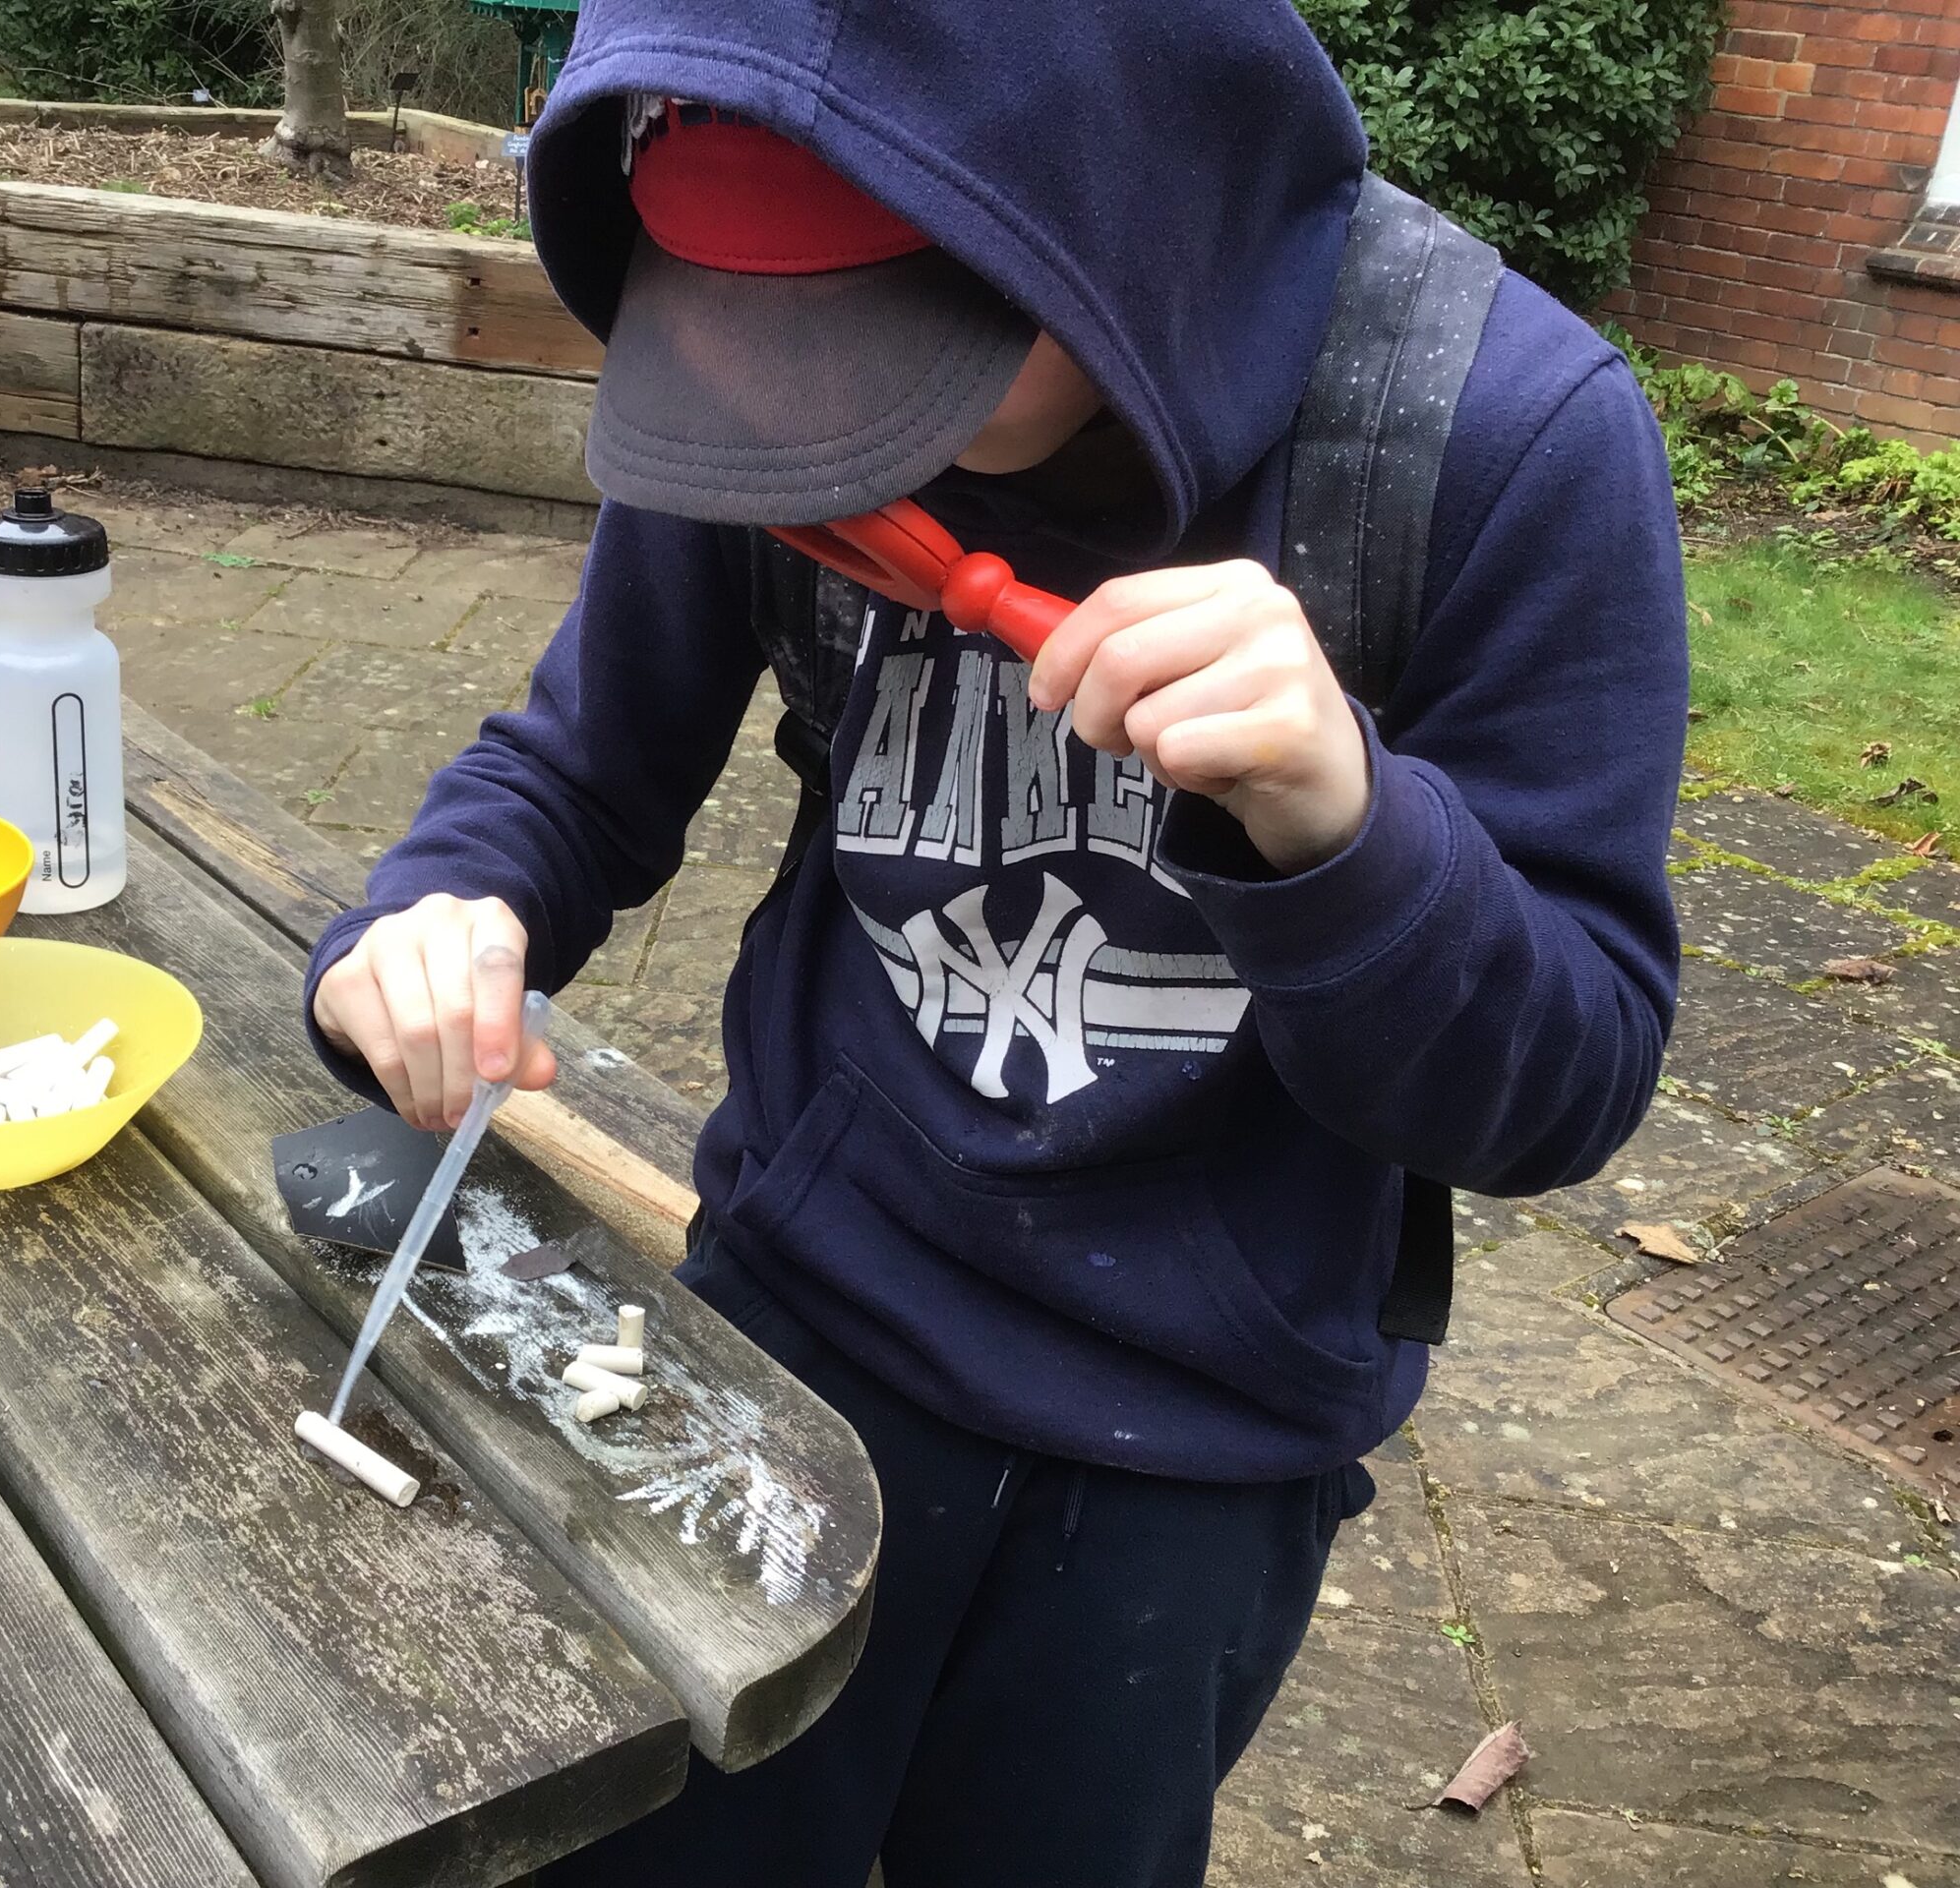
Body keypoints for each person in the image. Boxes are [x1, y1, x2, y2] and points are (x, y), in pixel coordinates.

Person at [303, 2, 1688, 1881]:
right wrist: (438, 914)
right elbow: (579, 767)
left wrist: (1348, 831)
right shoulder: (756, 355)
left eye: (865, 351)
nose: (789, 402)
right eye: (737, 334)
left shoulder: (1501, 439)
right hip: (805, 1319)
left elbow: (1564, 1085)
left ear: (1101, 234)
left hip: (1196, 1438)